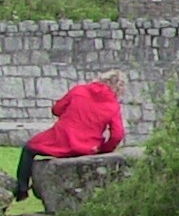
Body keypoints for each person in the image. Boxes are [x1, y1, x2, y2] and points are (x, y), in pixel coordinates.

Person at [9, 70, 127, 207]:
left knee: (29, 149)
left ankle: (22, 189)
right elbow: (117, 134)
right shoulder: (113, 105)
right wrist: (103, 150)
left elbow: (56, 109)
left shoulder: (79, 91)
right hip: (88, 147)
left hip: (60, 139)